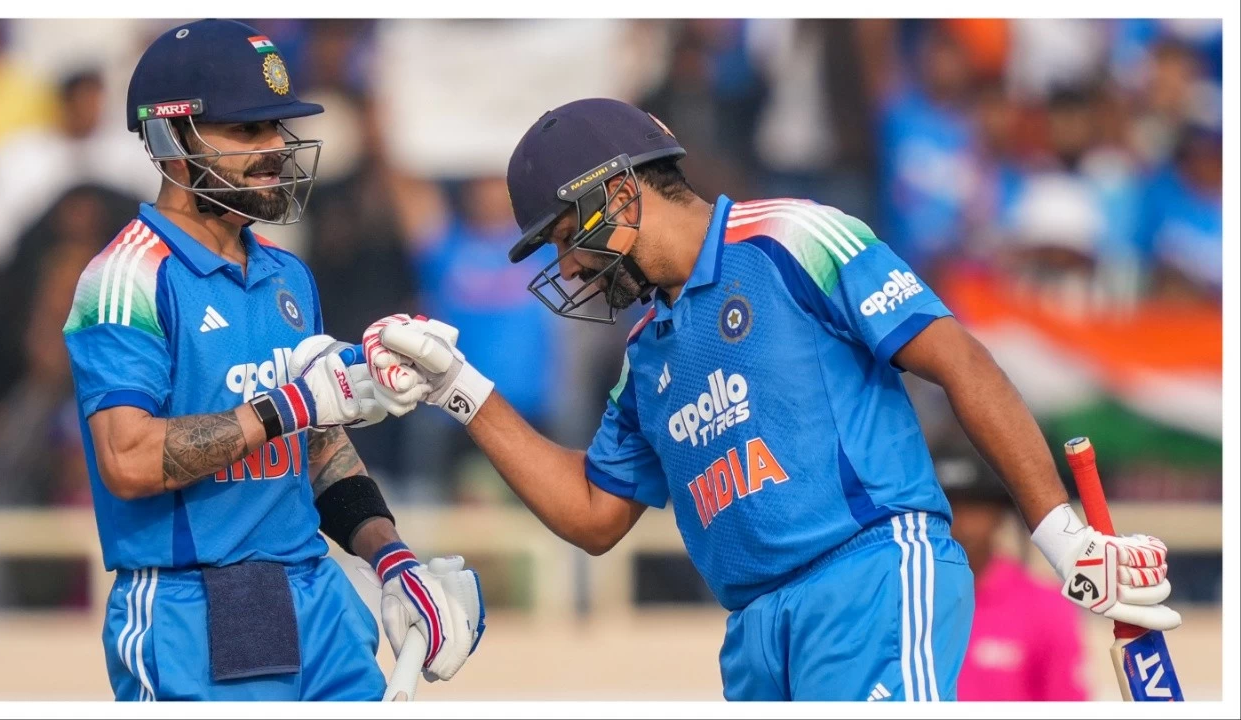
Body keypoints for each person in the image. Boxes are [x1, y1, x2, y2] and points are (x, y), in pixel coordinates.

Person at [362, 97, 1180, 701]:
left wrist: (1061, 533)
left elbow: (960, 361)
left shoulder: (793, 236)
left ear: (616, 196)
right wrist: (458, 390)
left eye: (563, 239)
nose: (568, 270)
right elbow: (592, 516)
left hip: (871, 579)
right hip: (755, 631)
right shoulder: (646, 350)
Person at [61, 19, 483, 701]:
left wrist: (392, 557)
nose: (274, 150)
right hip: (190, 606)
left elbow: (318, 448)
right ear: (171, 142)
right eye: (246, 131)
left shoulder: (289, 275)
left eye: (275, 129)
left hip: (315, 596)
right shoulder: (128, 277)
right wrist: (289, 405)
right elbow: (129, 459)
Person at [934, 443, 1089, 700]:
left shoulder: (1045, 607)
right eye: (948, 505)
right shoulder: (896, 599)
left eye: (976, 505)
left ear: (999, 511)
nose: (960, 521)